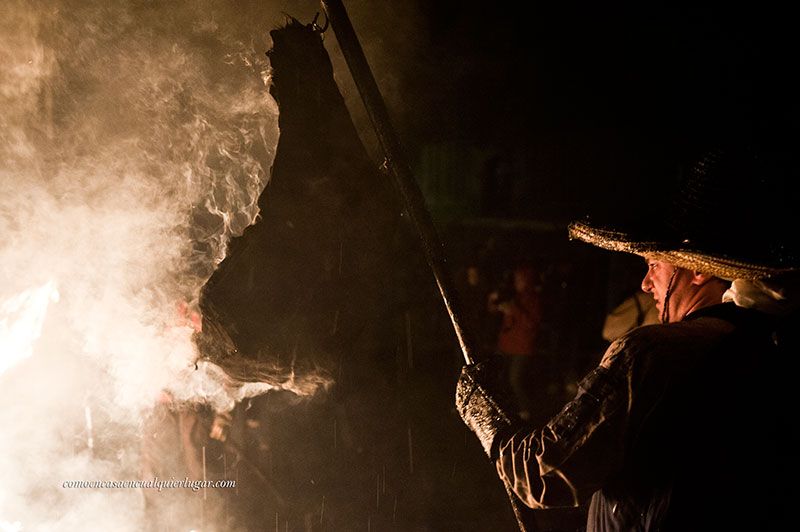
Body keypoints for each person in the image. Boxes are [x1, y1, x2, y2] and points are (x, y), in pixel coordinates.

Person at [456, 147, 798, 531]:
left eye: (654, 265)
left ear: (698, 271)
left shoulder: (650, 354)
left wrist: (485, 417)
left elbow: (545, 473)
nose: (645, 282)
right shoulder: (769, 345)